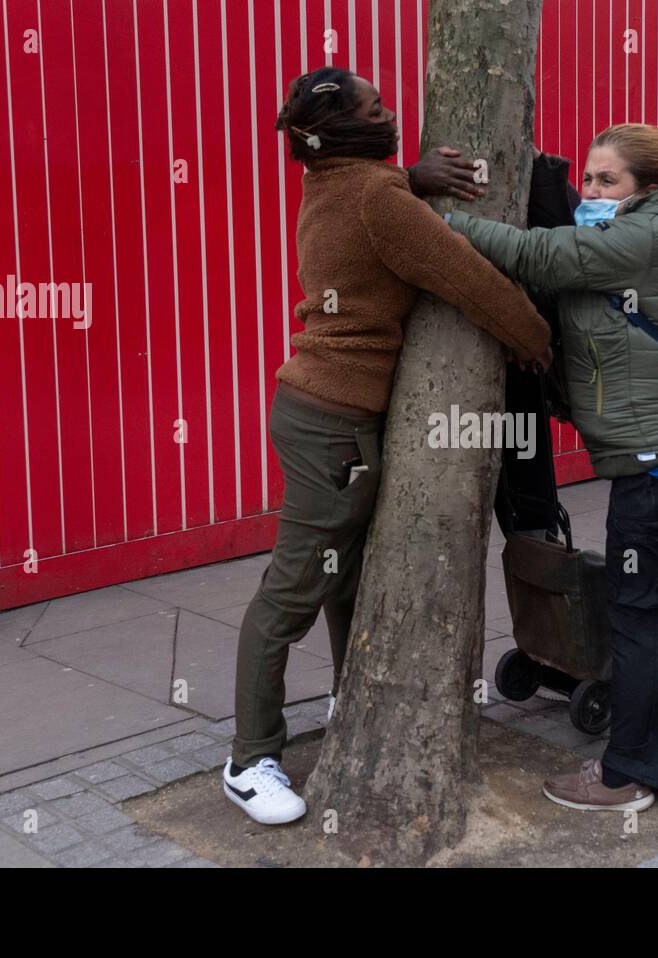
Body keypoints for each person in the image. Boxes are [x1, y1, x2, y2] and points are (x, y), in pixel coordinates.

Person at [225, 66, 552, 826]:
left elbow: (367, 211)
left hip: (322, 409)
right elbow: (463, 275)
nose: (392, 112)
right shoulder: (375, 196)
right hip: (333, 419)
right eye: (376, 109)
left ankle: (351, 702)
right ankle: (249, 758)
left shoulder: (335, 182)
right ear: (342, 134)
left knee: (346, 574)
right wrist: (534, 338)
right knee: (296, 587)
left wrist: (407, 176)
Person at [446, 122, 658, 813]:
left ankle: (630, 775)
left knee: (644, 611)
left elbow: (535, 254)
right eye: (586, 178)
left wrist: (438, 216)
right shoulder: (654, 230)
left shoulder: (646, 238)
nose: (590, 190)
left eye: (606, 180)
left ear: (647, 188)